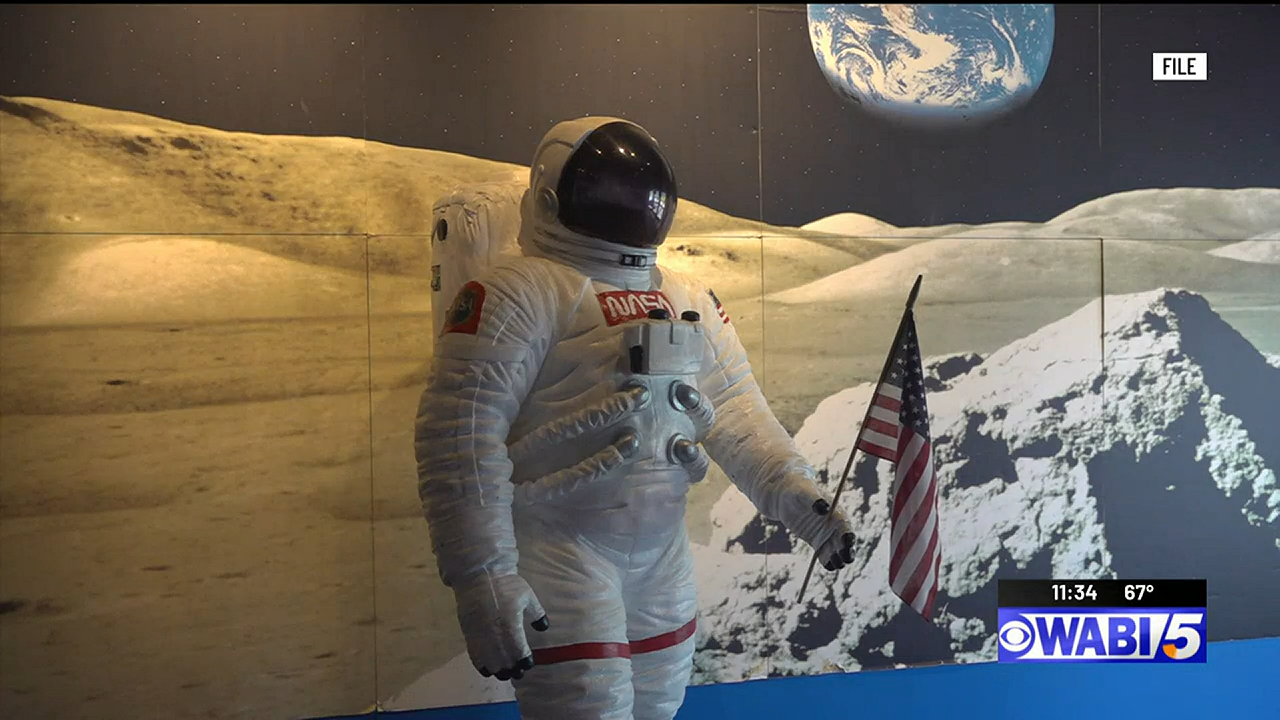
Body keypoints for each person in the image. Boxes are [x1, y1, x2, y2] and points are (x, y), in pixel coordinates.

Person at [413, 116, 856, 720]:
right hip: (560, 546)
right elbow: (461, 440)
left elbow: (735, 410)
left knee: (657, 708)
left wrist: (800, 499)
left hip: (660, 552)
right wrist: (483, 578)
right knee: (591, 709)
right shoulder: (520, 292)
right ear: (551, 199)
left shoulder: (687, 296)